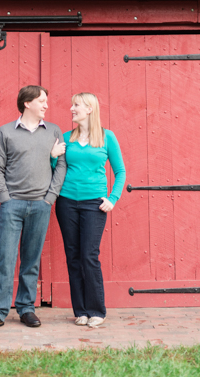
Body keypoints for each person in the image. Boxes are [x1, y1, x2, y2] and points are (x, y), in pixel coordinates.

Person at [0, 85, 67, 331]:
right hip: (12, 205)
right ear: (27, 103)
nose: (46, 105)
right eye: (42, 101)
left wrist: (50, 197)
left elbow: (61, 165)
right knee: (5, 259)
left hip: (41, 205)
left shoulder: (53, 131)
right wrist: (5, 198)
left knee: (31, 260)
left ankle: (26, 308)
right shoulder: (6, 131)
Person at [54, 92, 125, 328]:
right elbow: (55, 168)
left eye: (76, 105)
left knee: (88, 256)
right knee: (73, 257)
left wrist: (113, 198)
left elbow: (120, 171)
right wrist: (53, 157)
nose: (72, 109)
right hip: (66, 203)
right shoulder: (66, 138)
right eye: (73, 104)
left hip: (94, 204)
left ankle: (97, 310)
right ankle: (81, 311)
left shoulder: (107, 137)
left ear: (90, 109)